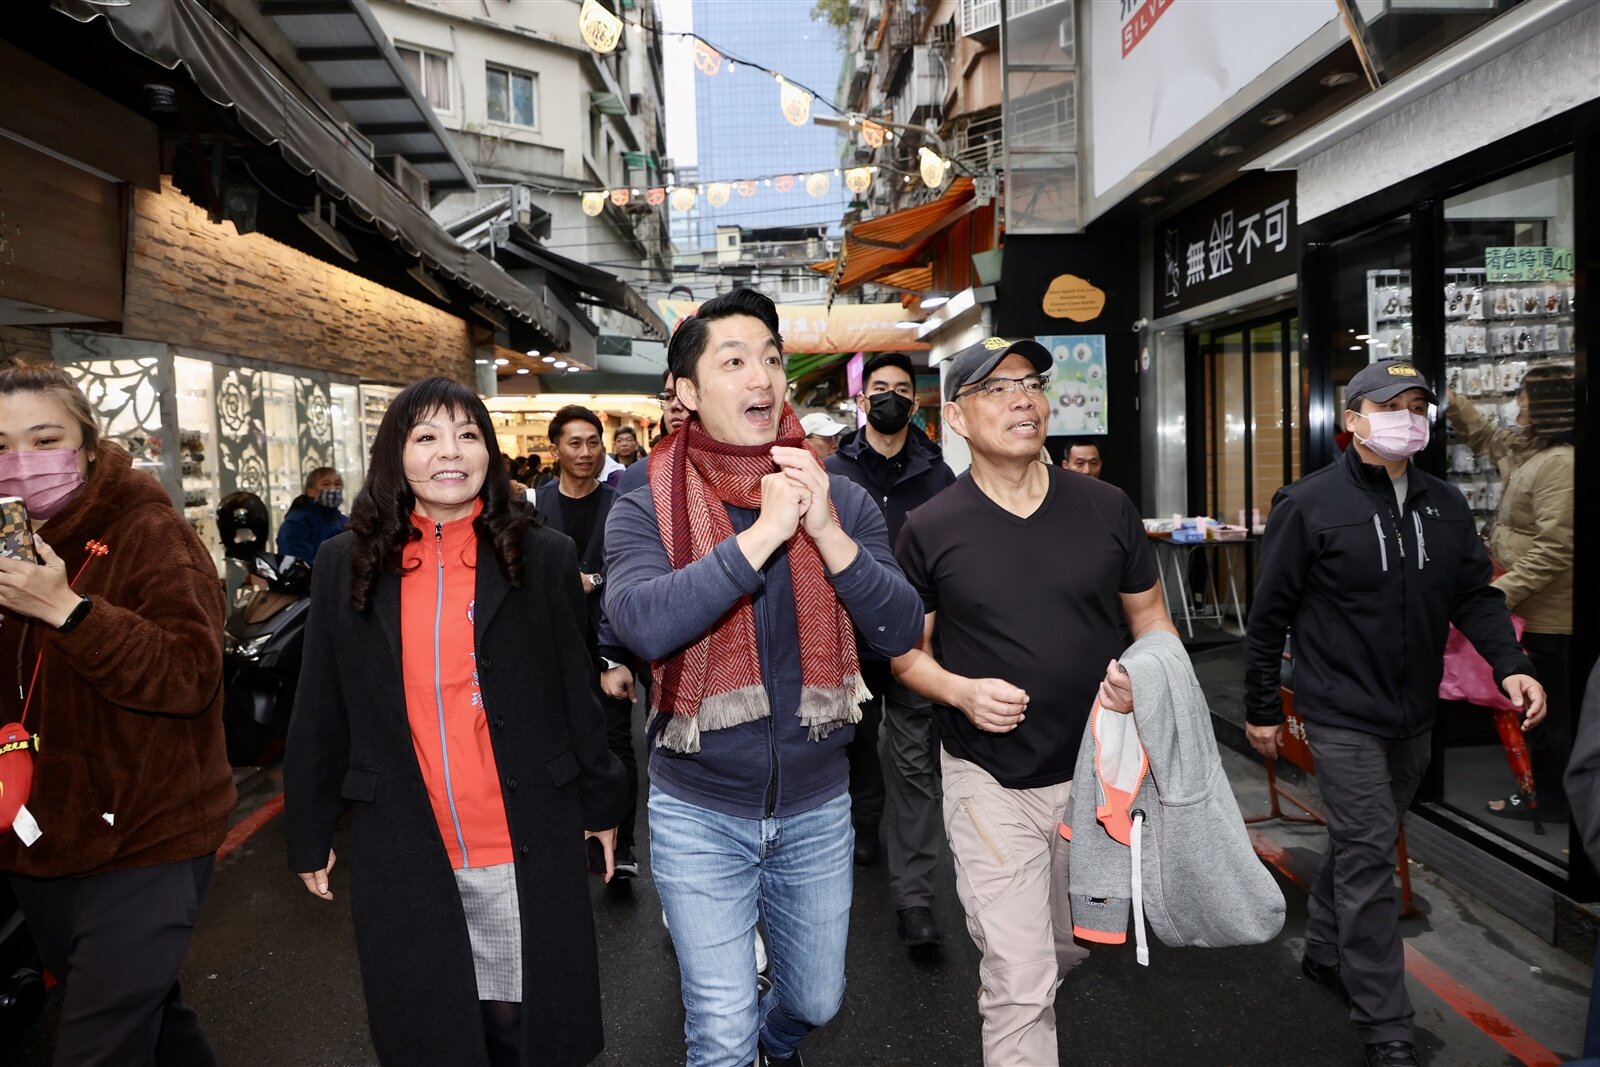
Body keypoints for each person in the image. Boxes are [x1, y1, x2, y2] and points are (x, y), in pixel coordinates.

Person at [603, 288, 924, 1067]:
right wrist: (763, 538)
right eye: (734, 360)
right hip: (697, 807)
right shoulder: (643, 500)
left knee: (814, 1001)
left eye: (771, 359)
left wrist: (825, 531)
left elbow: (899, 627)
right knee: (720, 1027)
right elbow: (640, 622)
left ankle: (776, 1046)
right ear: (686, 390)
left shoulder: (837, 492)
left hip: (816, 803)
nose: (761, 376)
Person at [284, 377, 627, 1067]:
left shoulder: (543, 554)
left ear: (489, 453)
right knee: (431, 1029)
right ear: (395, 454)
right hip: (405, 840)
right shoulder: (345, 562)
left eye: (468, 435)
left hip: (516, 837)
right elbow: (321, 704)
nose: (450, 451)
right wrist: (309, 828)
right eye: (427, 436)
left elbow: (575, 691)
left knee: (516, 1027)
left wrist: (601, 805)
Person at [1244, 359, 1545, 1067]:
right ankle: (1386, 1023)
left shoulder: (1444, 503)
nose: (1407, 417)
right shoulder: (1309, 503)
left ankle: (1324, 948)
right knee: (1372, 855)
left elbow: (1475, 596)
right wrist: (1260, 707)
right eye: (1389, 405)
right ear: (1353, 420)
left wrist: (1512, 665)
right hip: (1340, 709)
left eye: (1417, 405)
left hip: (1414, 711)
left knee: (1364, 843)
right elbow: (1269, 614)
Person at [890, 337, 1172, 1065]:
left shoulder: (1106, 507)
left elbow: (1153, 622)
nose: (1023, 398)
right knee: (1021, 979)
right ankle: (1016, 995)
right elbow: (906, 655)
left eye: (1032, 383)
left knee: (1068, 945)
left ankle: (1026, 974)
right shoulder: (930, 527)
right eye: (997, 387)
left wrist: (1145, 676)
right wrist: (961, 691)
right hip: (989, 781)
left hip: (1097, 778)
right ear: (955, 417)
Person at [0, 364, 233, 1065]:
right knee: (145, 1018)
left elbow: (191, 675)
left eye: (44, 439)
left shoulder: (149, 531)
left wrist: (69, 612)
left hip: (146, 834)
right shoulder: (9, 538)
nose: (21, 461)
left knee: (98, 1042)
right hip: (37, 834)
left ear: (88, 445)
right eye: (2, 446)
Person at [824, 351, 956, 949]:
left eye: (903, 389)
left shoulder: (938, 474)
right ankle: (864, 821)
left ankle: (915, 898)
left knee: (915, 767)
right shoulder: (832, 472)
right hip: (845, 640)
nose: (891, 398)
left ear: (915, 402)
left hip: (915, 643)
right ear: (862, 400)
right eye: (881, 388)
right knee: (853, 749)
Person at [1446, 362, 1574, 826]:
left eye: (1525, 395)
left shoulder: (1561, 464)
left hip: (1549, 614)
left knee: (1549, 713)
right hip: (1527, 606)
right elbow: (1488, 438)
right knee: (1534, 707)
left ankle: (1552, 801)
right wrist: (1452, 402)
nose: (1518, 401)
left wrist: (1495, 596)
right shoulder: (1531, 449)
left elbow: (1557, 547)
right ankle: (1542, 792)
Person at [534, 405, 639, 879]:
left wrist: (592, 580)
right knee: (554, 744)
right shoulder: (534, 505)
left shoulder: (621, 503)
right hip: (550, 647)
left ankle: (624, 845)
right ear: (554, 448)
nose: (585, 452)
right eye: (574, 443)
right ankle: (564, 840)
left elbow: (632, 569)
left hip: (609, 644)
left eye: (593, 442)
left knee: (615, 743)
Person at [277, 465, 349, 561]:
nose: (333, 488)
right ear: (310, 491)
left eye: (337, 484)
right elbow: (300, 563)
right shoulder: (297, 523)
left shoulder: (346, 522)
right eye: (326, 484)